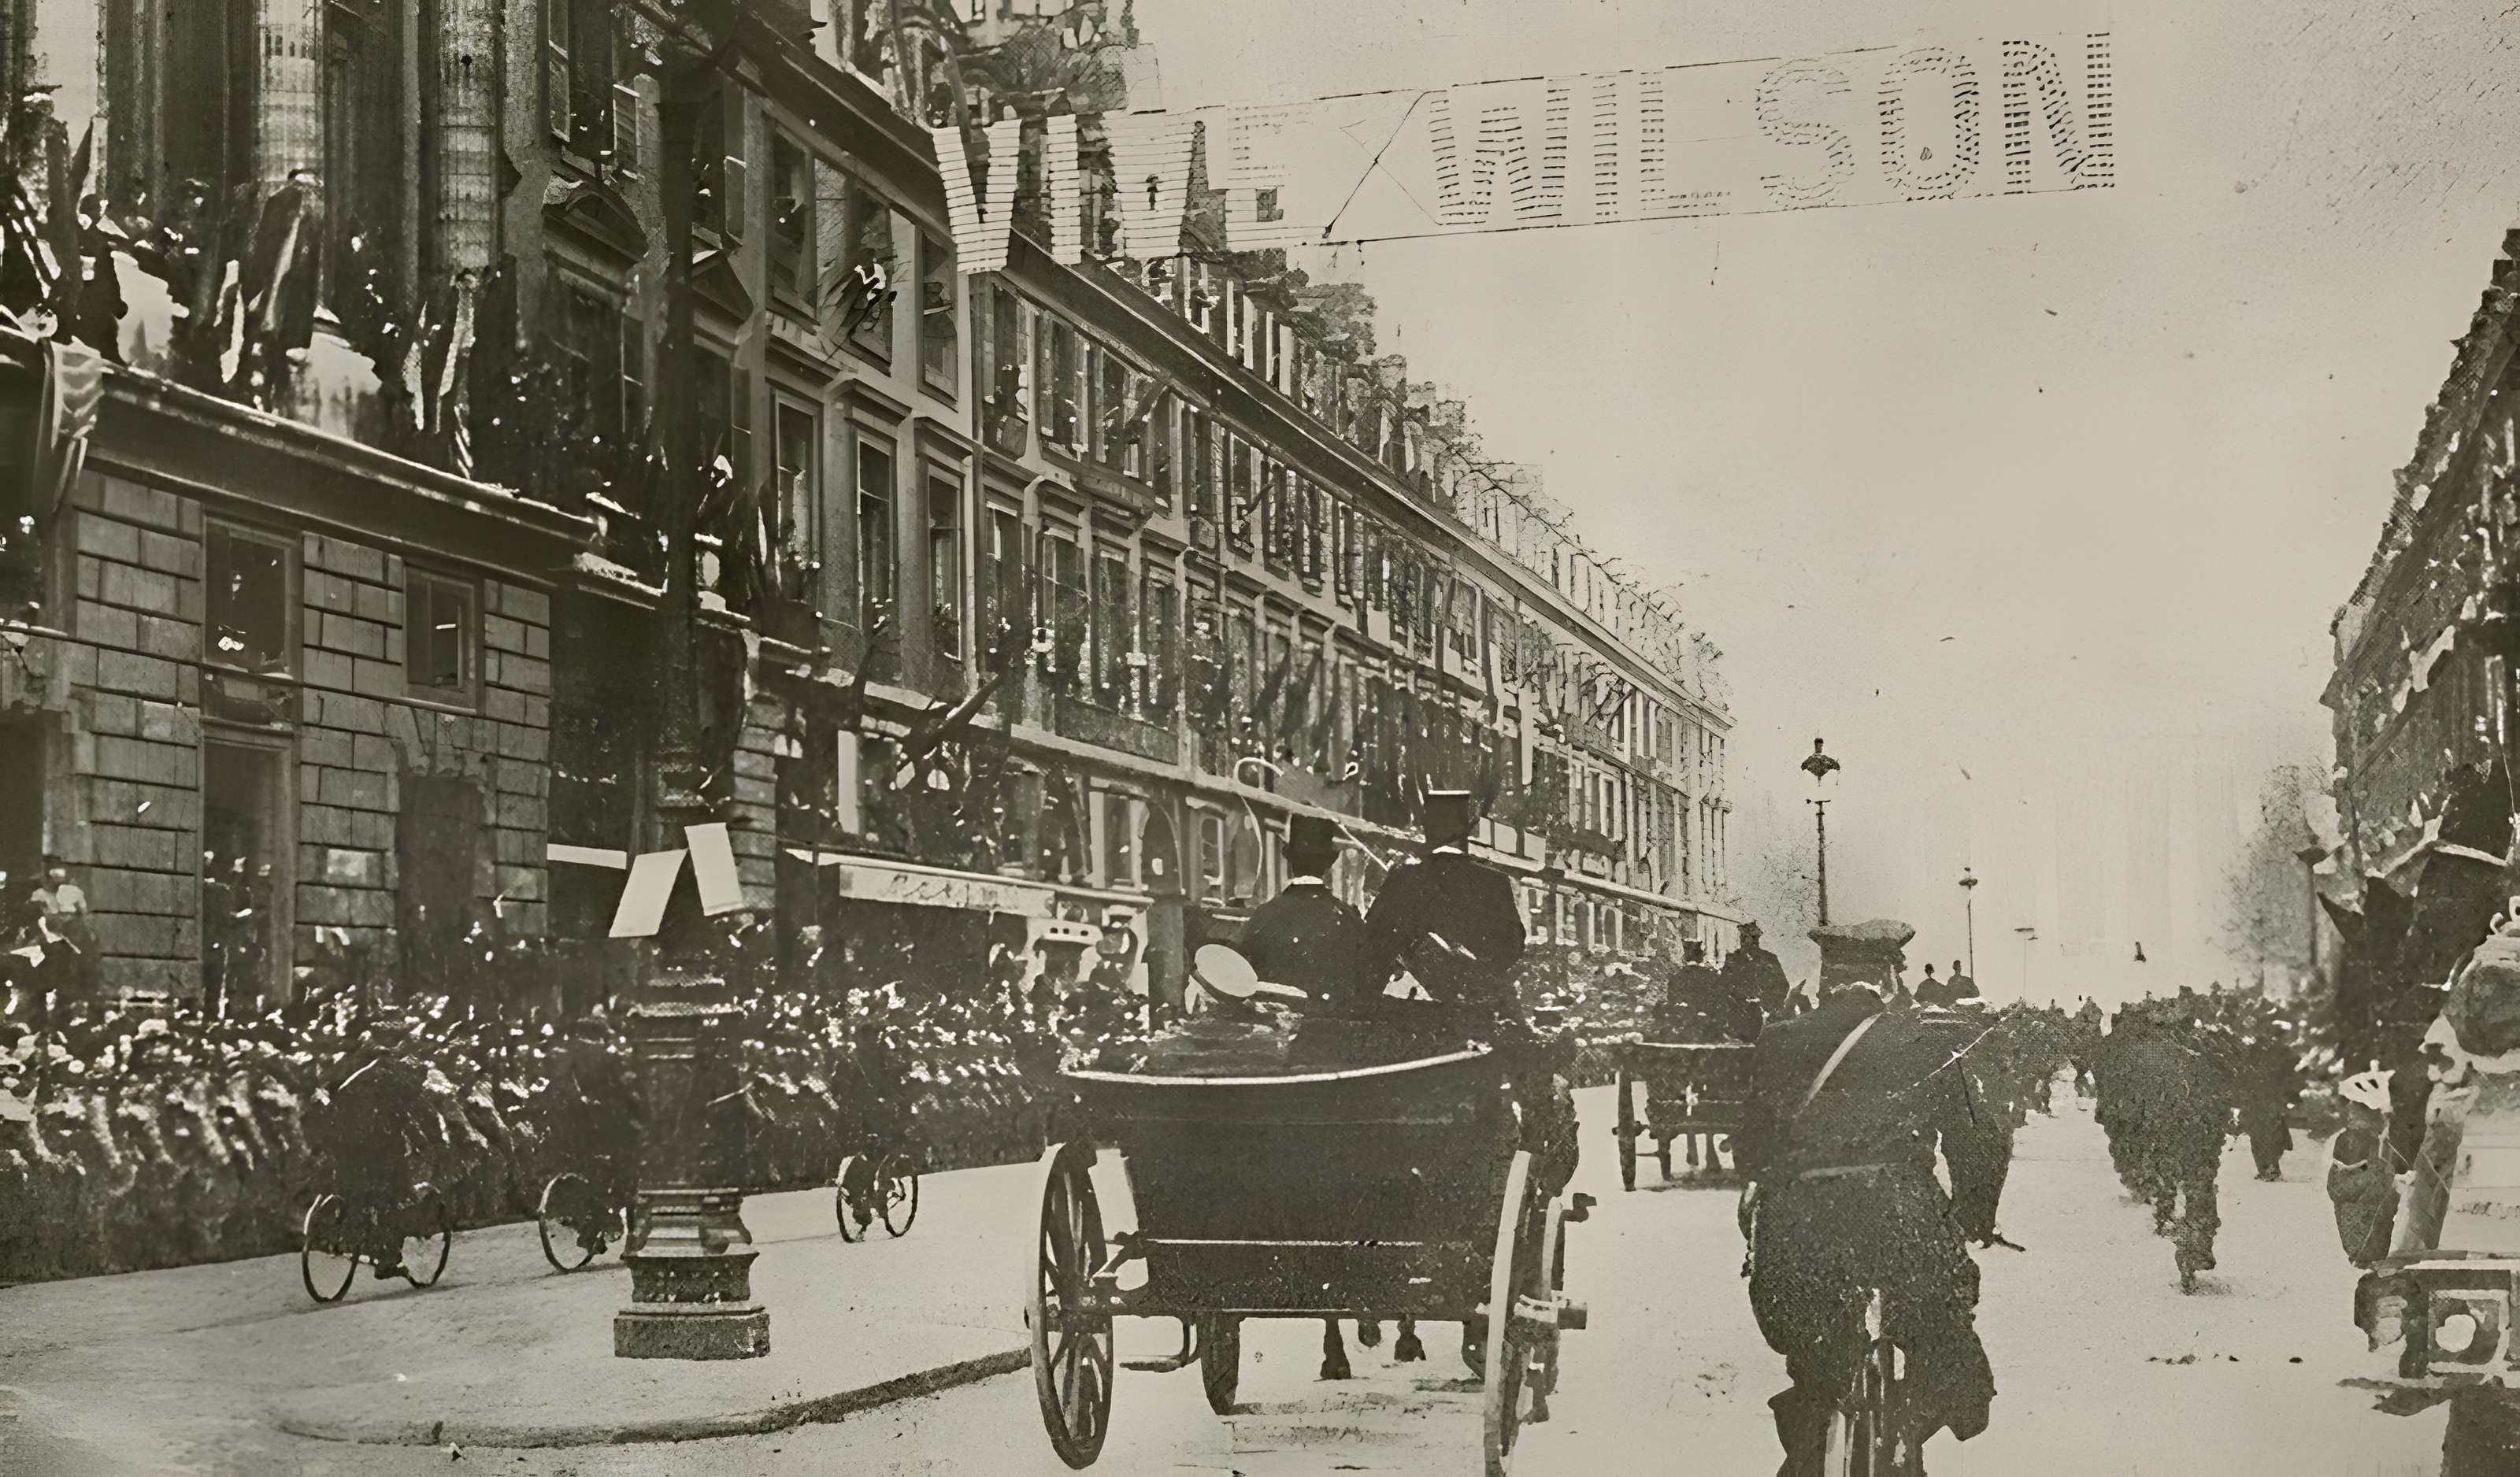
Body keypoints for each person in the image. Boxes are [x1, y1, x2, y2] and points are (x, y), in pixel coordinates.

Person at [1735, 963, 1999, 1476]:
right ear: (1891, 980)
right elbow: (1977, 1140)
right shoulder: (1925, 1040)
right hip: (1904, 1219)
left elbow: (1751, 1145)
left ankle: (1814, 1435)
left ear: (1826, 982)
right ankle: (1907, 1430)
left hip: (1807, 1222)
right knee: (1941, 1340)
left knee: (1812, 1357)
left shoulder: (1780, 1039)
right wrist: (1973, 1214)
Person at [1237, 816, 1373, 1010]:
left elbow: (1244, 971)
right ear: (1329, 864)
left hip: (1272, 1028)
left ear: (1289, 859)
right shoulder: (1346, 918)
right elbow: (1363, 976)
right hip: (1329, 1028)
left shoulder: (1263, 915)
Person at [1721, 921, 1796, 1024]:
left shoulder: (1769, 959)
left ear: (1755, 940)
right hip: (1738, 1013)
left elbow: (1782, 985)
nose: (1742, 940)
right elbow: (1723, 985)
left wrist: (1770, 1006)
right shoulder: (1733, 959)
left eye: (1746, 937)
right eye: (1741, 937)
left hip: (1766, 1012)